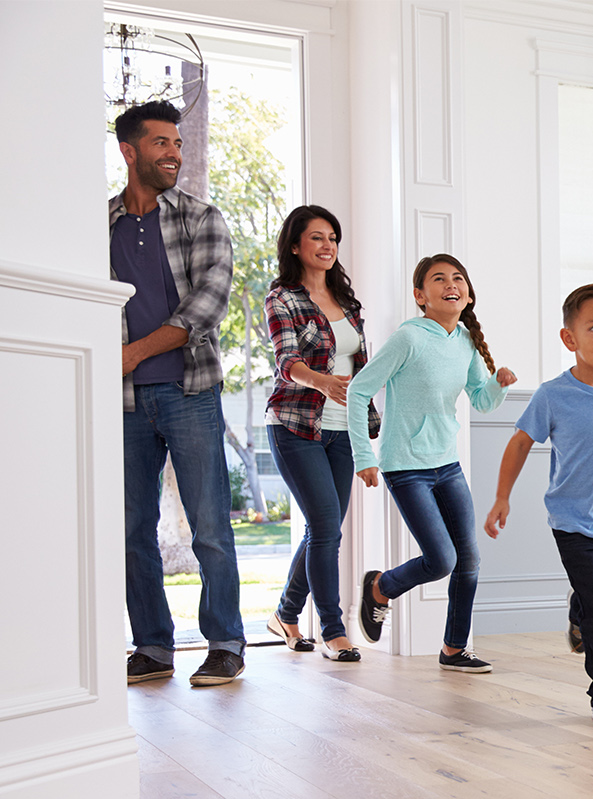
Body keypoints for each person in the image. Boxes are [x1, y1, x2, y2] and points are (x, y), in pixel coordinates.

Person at [111, 100, 245, 687]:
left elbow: (207, 305)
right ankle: (152, 646)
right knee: (132, 527)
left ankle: (225, 642)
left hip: (189, 391)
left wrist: (132, 355)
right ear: (129, 151)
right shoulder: (100, 224)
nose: (174, 153)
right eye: (162, 143)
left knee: (210, 524)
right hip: (122, 404)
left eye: (178, 143)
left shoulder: (201, 217)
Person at [483, 282, 593, 727]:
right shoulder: (552, 395)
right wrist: (502, 497)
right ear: (569, 339)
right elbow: (520, 443)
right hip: (573, 522)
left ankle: (579, 612)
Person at [348, 254, 517, 672]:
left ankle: (454, 649)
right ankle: (380, 587)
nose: (450, 284)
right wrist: (363, 456)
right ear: (420, 295)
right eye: (438, 279)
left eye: (457, 277)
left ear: (467, 293)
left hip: (447, 463)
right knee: (441, 560)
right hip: (405, 465)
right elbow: (358, 390)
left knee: (469, 560)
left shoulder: (464, 341)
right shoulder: (408, 338)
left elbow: (481, 399)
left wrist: (499, 384)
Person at [262, 206, 381, 663]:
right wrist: (321, 381)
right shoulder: (283, 298)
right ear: (295, 246)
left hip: (343, 432)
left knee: (323, 530)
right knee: (326, 529)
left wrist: (366, 426)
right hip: (297, 426)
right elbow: (285, 360)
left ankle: (286, 615)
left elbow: (362, 367)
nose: (328, 245)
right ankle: (334, 631)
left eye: (332, 237)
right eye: (316, 237)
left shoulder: (347, 303)